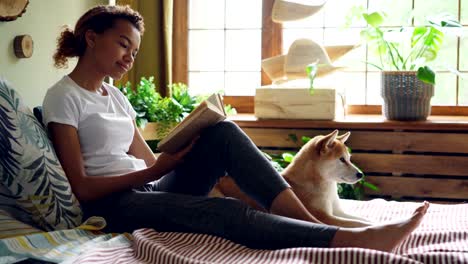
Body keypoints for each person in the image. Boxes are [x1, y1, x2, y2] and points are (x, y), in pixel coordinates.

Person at [43, 4, 429, 252]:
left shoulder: (115, 97)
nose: (130, 57)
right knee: (225, 212)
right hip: (112, 205)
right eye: (123, 44)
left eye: (135, 51)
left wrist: (188, 145)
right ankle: (344, 240)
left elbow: (149, 159)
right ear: (92, 38)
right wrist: (158, 169)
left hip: (145, 187)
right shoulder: (63, 97)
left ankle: (310, 225)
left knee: (223, 132)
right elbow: (82, 187)